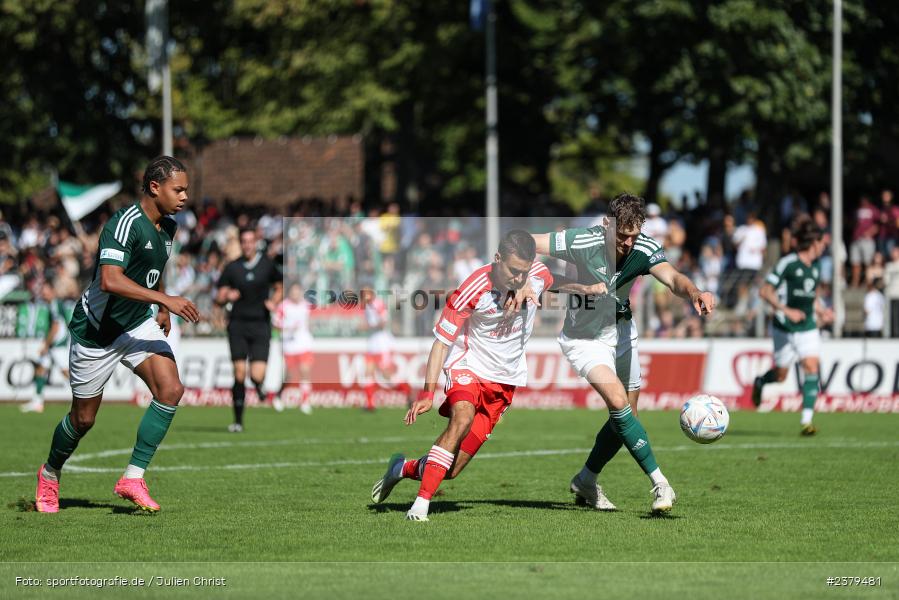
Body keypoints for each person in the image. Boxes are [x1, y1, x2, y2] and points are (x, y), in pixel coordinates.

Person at [33, 156, 200, 513]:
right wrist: (164, 299)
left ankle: (133, 477)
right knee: (83, 419)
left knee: (171, 389)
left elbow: (152, 273)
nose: (185, 196)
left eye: (186, 189)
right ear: (155, 188)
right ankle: (49, 474)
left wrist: (162, 307)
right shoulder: (124, 223)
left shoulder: (167, 228)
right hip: (96, 331)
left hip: (136, 322)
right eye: (179, 189)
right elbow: (110, 280)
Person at [529, 193, 715, 514]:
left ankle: (586, 480)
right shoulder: (582, 240)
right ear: (606, 226)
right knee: (618, 403)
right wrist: (520, 269)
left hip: (623, 331)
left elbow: (672, 278)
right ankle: (661, 483)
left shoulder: (643, 247)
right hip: (584, 338)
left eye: (633, 235)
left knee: (626, 415)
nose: (628, 243)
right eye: (622, 235)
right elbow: (528, 243)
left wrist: (695, 292)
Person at [370, 230, 557, 521]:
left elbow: (546, 274)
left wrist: (531, 285)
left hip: (504, 381)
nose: (519, 278)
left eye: (524, 272)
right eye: (513, 271)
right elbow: (442, 342)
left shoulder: (533, 275)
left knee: (452, 470)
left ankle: (402, 469)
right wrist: (427, 393)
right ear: (497, 259)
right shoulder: (473, 288)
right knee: (463, 416)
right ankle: (420, 506)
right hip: (467, 366)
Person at [752, 217, 833, 435]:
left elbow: (812, 295)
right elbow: (764, 291)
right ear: (814, 242)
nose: (824, 247)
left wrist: (821, 310)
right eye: (822, 243)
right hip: (784, 327)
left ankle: (806, 421)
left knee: (811, 366)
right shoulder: (788, 263)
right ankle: (760, 381)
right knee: (780, 376)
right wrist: (786, 310)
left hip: (807, 326)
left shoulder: (815, 267)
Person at [216, 227, 284, 431]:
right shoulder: (232, 268)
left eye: (250, 241)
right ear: (240, 243)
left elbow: (281, 286)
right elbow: (219, 296)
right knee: (239, 372)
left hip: (260, 325)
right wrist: (227, 296)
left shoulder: (267, 265)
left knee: (256, 375)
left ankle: (258, 385)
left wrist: (274, 301)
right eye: (243, 241)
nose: (247, 245)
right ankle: (238, 421)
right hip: (237, 324)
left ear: (256, 242)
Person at [21, 282, 71, 414]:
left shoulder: (55, 304)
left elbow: (56, 327)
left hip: (57, 345)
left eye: (45, 290)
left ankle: (84, 399)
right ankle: (37, 402)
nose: (43, 293)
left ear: (52, 291)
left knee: (66, 372)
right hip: (53, 345)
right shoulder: (53, 304)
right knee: (40, 369)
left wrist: (47, 345)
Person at [272, 282, 314, 414]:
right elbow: (276, 325)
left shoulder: (306, 305)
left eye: (298, 291)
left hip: (304, 343)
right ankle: (278, 395)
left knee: (305, 370)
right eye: (293, 291)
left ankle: (305, 402)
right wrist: (289, 328)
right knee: (289, 375)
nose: (296, 294)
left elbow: (308, 321)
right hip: (289, 344)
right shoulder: (283, 306)